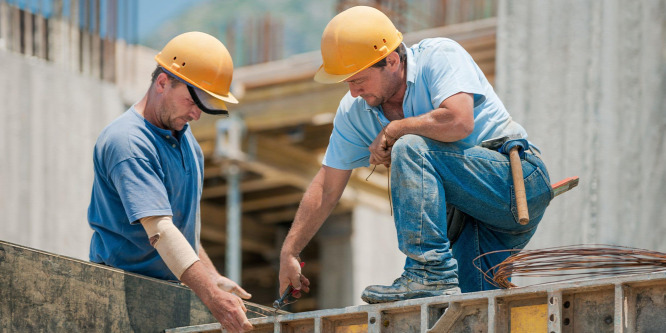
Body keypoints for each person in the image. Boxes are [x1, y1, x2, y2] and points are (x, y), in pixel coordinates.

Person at [279, 6, 553, 304]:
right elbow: (327, 186)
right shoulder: (354, 111)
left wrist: (397, 128)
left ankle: (429, 274)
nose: (354, 92)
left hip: (515, 182)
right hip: (470, 220)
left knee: (410, 146)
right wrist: (290, 251)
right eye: (348, 83)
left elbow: (460, 121)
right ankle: (434, 277)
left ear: (392, 60)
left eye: (358, 80)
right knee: (473, 311)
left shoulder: (439, 56)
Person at [87, 32, 253, 332]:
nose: (196, 114)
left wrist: (212, 277)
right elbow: (161, 230)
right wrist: (212, 297)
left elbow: (178, 229)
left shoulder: (188, 144)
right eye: (192, 100)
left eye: (203, 105)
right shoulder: (128, 142)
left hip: (164, 296)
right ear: (162, 82)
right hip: (119, 297)